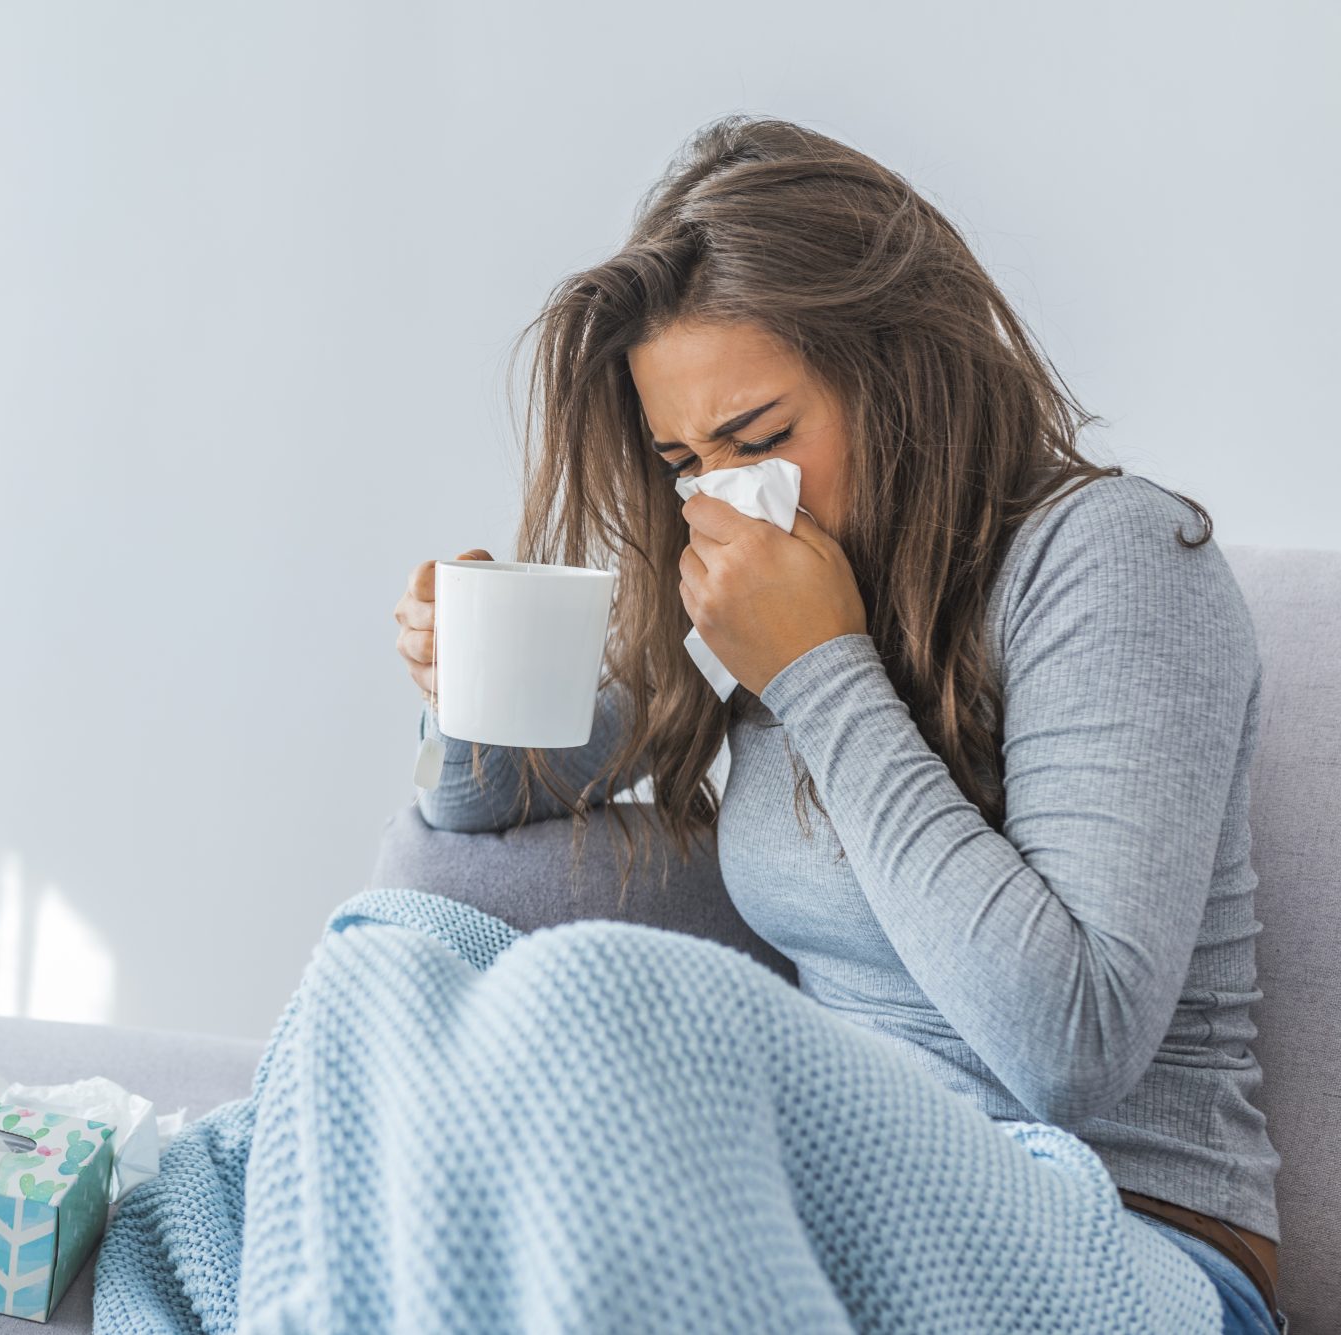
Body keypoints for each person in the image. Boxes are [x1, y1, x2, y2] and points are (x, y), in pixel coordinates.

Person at [391, 115, 1285, 1333]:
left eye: (758, 439)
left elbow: (1069, 1045)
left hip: (1128, 1254)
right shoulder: (780, 589)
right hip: (832, 1219)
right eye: (682, 461)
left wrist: (818, 669)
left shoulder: (1110, 558)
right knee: (392, 954)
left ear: (901, 373)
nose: (725, 496)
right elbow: (488, 804)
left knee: (587, 999)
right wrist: (466, 697)